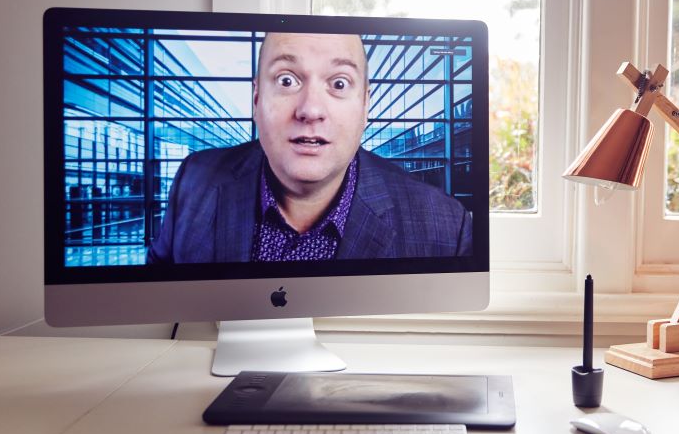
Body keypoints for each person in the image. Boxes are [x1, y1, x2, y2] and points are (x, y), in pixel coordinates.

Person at [147, 32, 472, 263]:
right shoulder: (195, 180)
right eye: (287, 80)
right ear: (257, 99)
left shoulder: (444, 227)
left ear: (365, 105)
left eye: (339, 83)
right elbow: (158, 302)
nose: (310, 110)